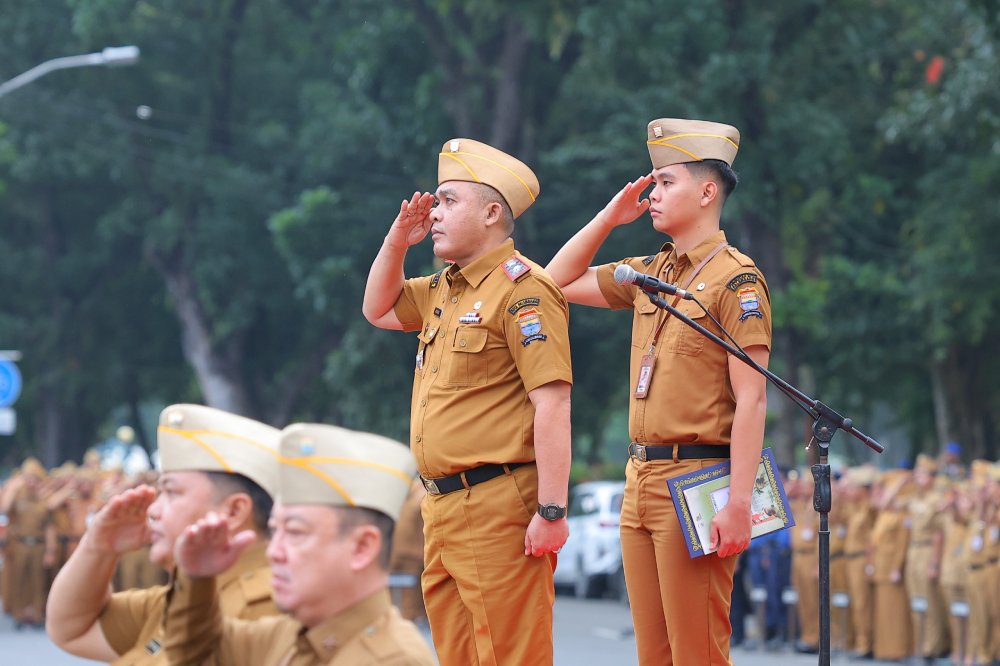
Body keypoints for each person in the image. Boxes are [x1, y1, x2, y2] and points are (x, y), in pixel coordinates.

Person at [545, 118, 771, 663]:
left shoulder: (736, 281)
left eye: (666, 182)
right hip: (640, 478)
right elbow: (553, 281)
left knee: (697, 651)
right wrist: (608, 218)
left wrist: (739, 504)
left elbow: (753, 399)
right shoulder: (650, 272)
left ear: (707, 190)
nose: (652, 194)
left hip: (698, 478)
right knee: (655, 653)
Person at [362, 138, 573, 664]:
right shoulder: (443, 288)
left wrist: (551, 509)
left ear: (492, 211)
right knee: (458, 656)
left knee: (510, 656)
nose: (433, 212)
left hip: (497, 502)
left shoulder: (524, 290)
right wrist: (397, 241)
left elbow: (552, 402)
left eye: (448, 200)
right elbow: (377, 309)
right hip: (442, 504)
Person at [160, 423, 437, 666]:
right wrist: (197, 576)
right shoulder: (284, 635)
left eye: (294, 532)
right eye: (273, 530)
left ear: (362, 547)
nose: (273, 552)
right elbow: (192, 655)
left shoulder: (392, 660)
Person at [46, 404, 282, 663]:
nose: (153, 510)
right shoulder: (178, 598)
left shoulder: (269, 607)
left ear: (234, 511)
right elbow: (71, 629)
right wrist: (98, 547)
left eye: (172, 492)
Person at [0, 457, 52, 628]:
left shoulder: (43, 498)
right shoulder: (17, 495)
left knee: (38, 581)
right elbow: (5, 509)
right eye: (28, 478)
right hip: (20, 544)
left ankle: (36, 614)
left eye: (35, 478)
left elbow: (49, 526)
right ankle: (18, 614)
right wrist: (14, 487)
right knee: (18, 579)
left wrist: (50, 551)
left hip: (38, 544)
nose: (31, 482)